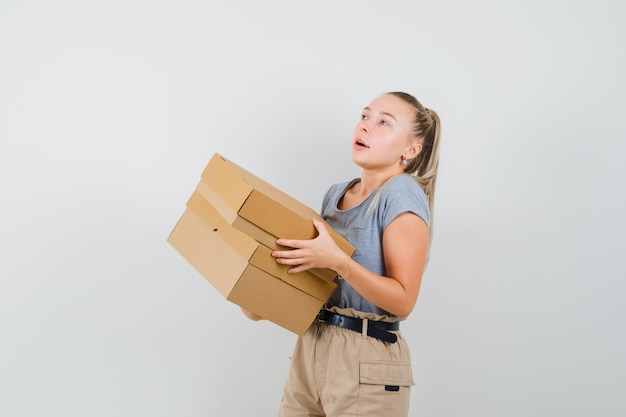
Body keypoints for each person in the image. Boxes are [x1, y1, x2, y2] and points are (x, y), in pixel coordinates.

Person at [243, 91, 441, 417]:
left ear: (411, 150)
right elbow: (319, 280)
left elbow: (404, 301)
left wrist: (338, 262)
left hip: (366, 357)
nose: (365, 127)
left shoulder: (400, 192)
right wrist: (261, 295)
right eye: (364, 116)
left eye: (383, 123)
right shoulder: (336, 194)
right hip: (313, 346)